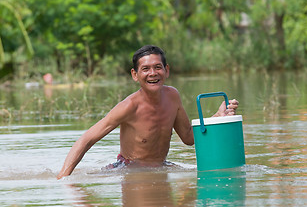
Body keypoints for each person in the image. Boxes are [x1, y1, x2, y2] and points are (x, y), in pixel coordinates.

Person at [57, 45, 238, 179]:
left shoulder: (173, 96)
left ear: (166, 71)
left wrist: (217, 117)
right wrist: (63, 179)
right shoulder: (128, 107)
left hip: (161, 166)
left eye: (157, 67)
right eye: (145, 69)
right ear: (135, 75)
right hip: (128, 169)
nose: (152, 73)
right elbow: (86, 140)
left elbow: (189, 138)